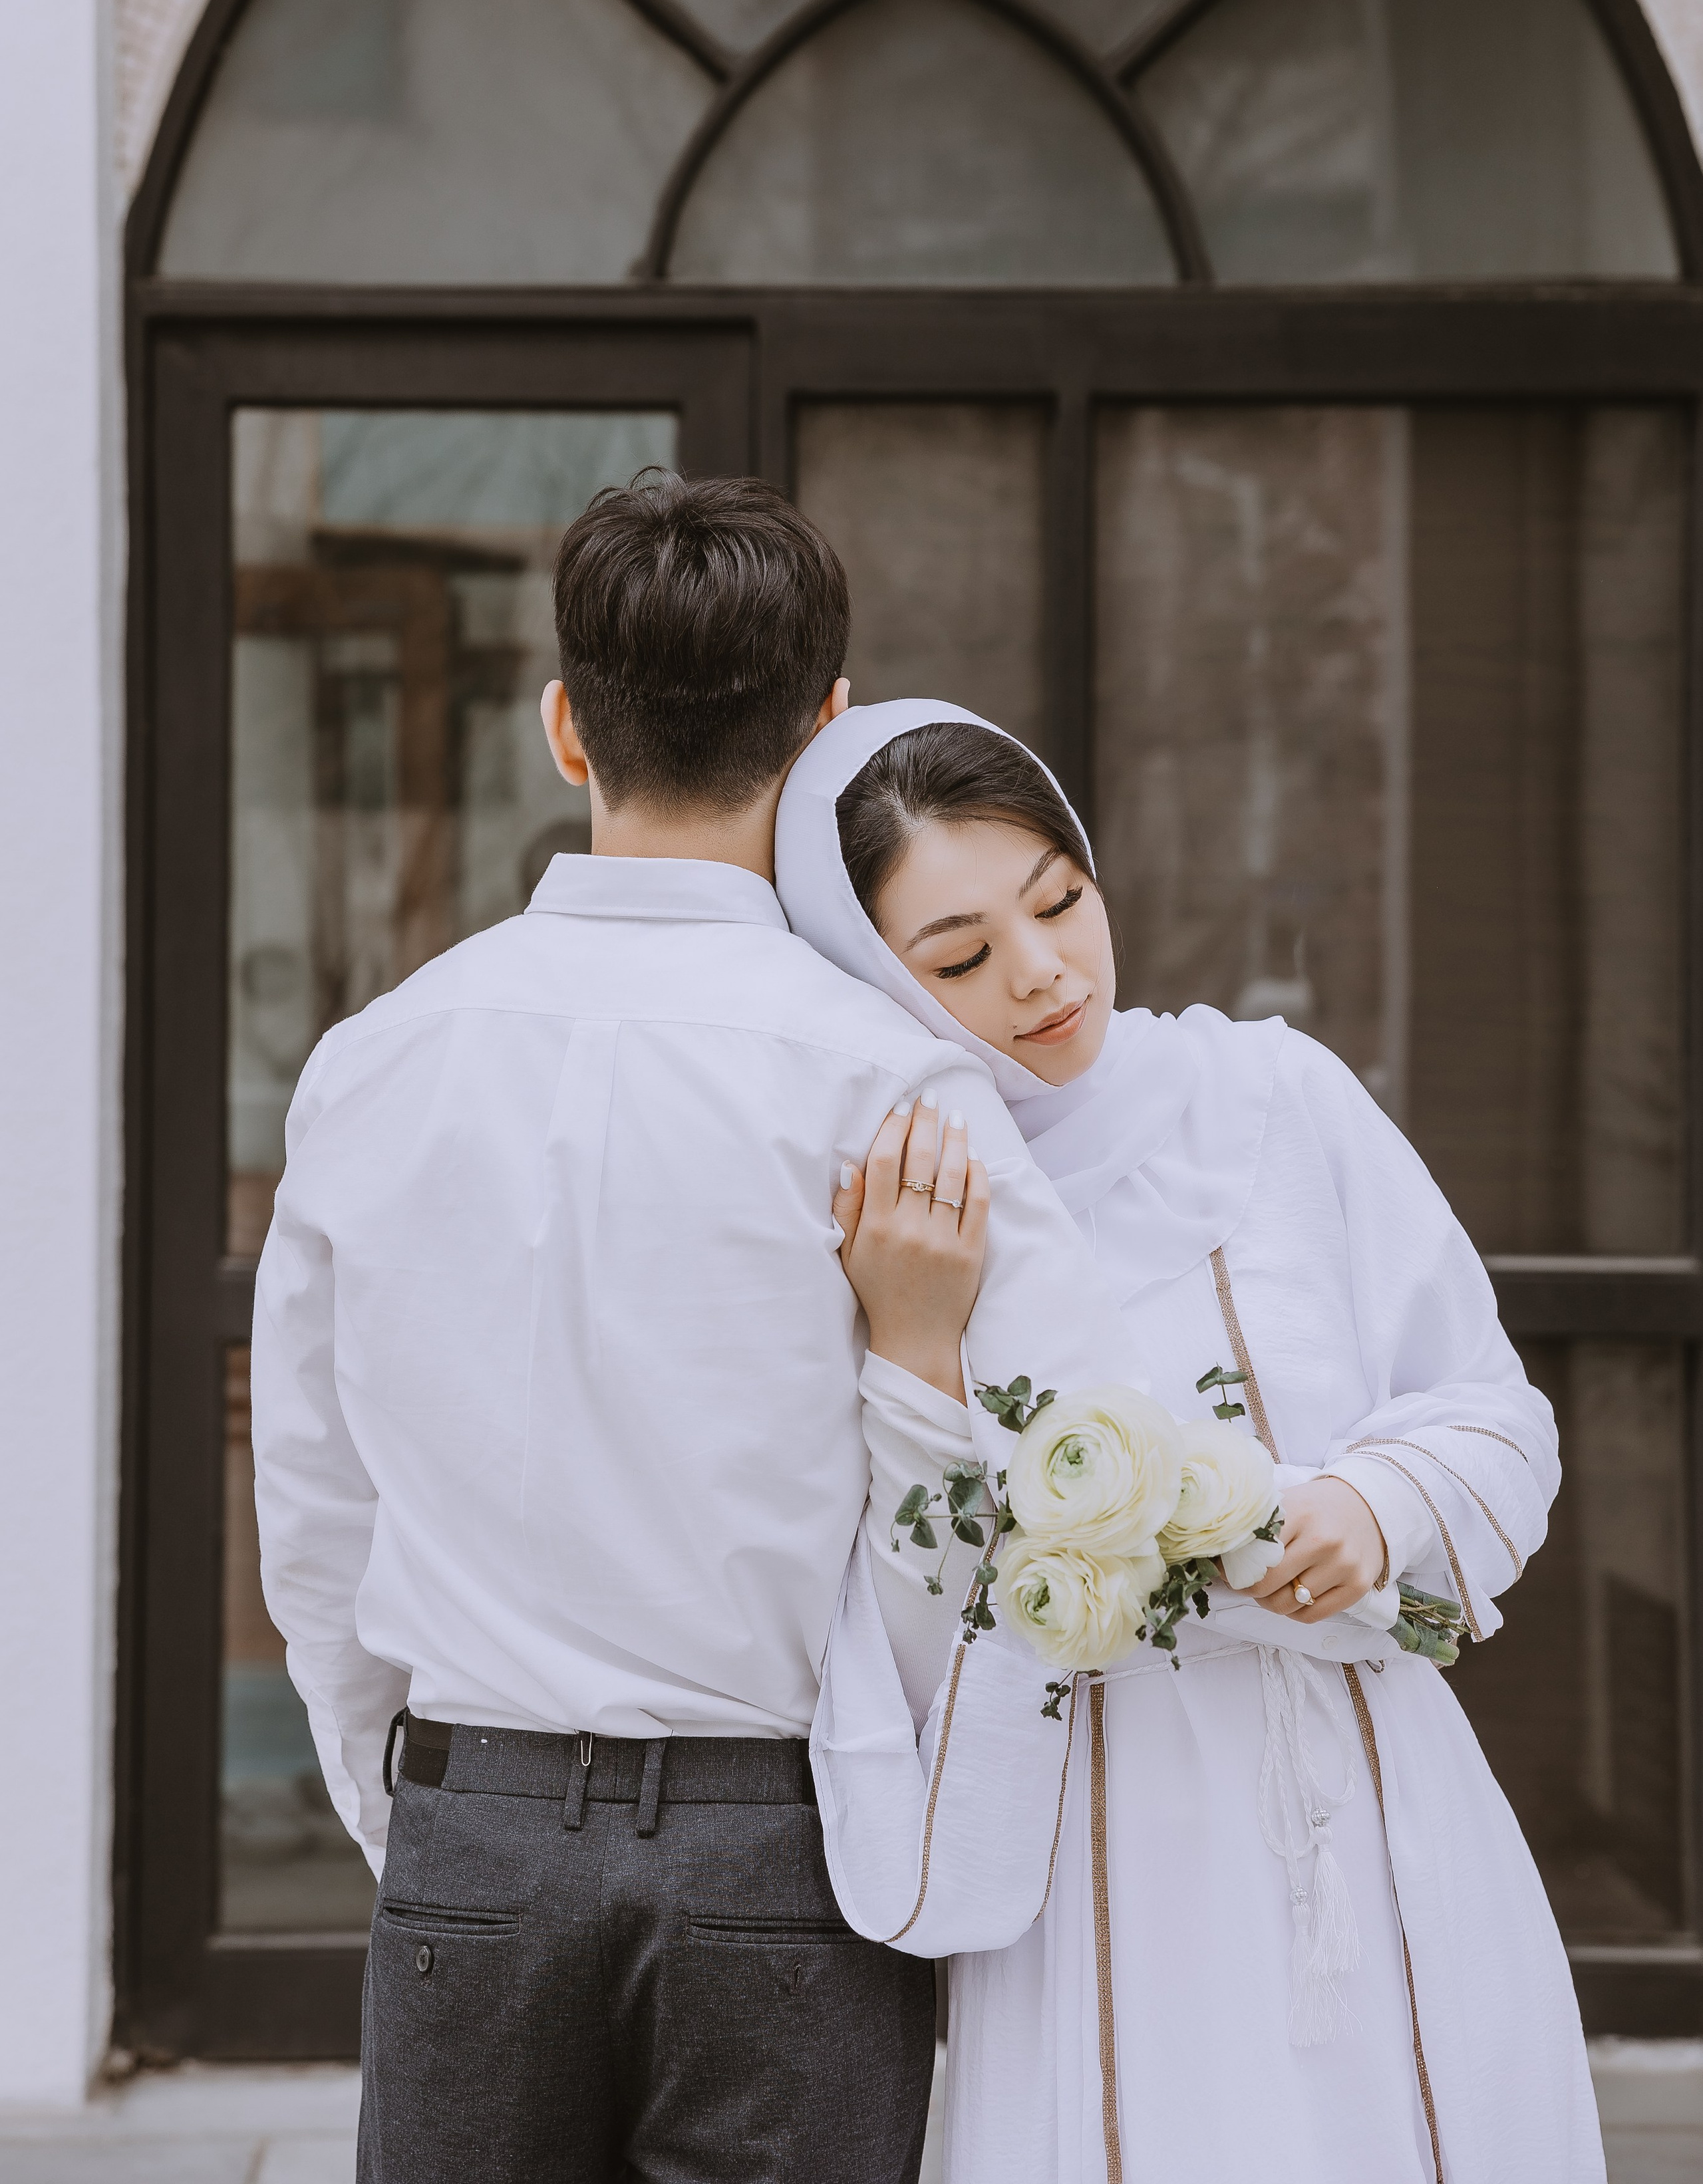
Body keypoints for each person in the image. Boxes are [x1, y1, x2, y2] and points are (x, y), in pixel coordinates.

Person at [251, 487, 1124, 2184]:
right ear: (823, 732)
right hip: (786, 1854)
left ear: (563, 723)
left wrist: (420, 1812)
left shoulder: (376, 1061)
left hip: (470, 1822)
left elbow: (313, 1509)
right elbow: (1059, 1480)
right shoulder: (886, 1080)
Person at [775, 698, 1605, 2184]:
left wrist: (1379, 1497)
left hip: (1374, 1795)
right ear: (864, 978)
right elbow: (885, 1603)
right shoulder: (888, 1204)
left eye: (1059, 901)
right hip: (1099, 1846)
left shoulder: (1266, 1094)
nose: (1040, 975)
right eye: (957, 958)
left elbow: (1492, 1407)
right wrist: (910, 1340)